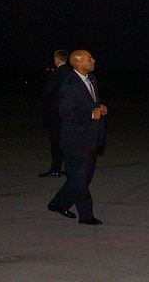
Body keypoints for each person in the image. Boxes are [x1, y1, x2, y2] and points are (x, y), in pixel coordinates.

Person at [47, 50, 107, 225]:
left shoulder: (91, 79)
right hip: (75, 141)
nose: (93, 60)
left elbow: (88, 103)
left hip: (90, 138)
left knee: (80, 178)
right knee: (80, 181)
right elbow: (66, 113)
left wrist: (99, 107)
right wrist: (90, 115)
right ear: (79, 63)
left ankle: (58, 203)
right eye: (90, 58)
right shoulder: (70, 85)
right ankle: (86, 215)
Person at [39, 49, 71, 178]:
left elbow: (48, 93)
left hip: (56, 112)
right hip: (68, 112)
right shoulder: (71, 72)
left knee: (56, 141)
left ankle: (55, 168)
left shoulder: (56, 73)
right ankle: (70, 168)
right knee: (68, 142)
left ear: (56, 59)